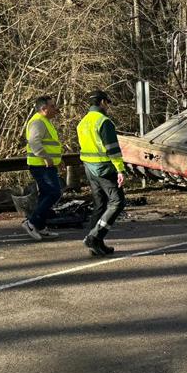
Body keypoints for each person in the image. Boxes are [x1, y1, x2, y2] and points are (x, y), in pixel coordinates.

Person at [76, 90, 126, 256]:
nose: (108, 107)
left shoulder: (82, 123)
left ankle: (95, 242)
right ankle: (94, 237)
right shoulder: (104, 122)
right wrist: (120, 169)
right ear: (103, 102)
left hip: (90, 168)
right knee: (117, 202)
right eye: (108, 103)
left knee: (100, 204)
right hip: (104, 169)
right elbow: (112, 149)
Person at [23, 95, 63, 241]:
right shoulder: (38, 122)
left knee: (46, 194)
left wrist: (58, 160)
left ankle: (39, 225)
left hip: (47, 164)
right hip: (41, 165)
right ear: (43, 109)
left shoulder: (45, 121)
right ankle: (31, 222)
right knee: (54, 193)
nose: (55, 108)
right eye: (52, 106)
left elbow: (50, 144)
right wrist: (46, 157)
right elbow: (34, 142)